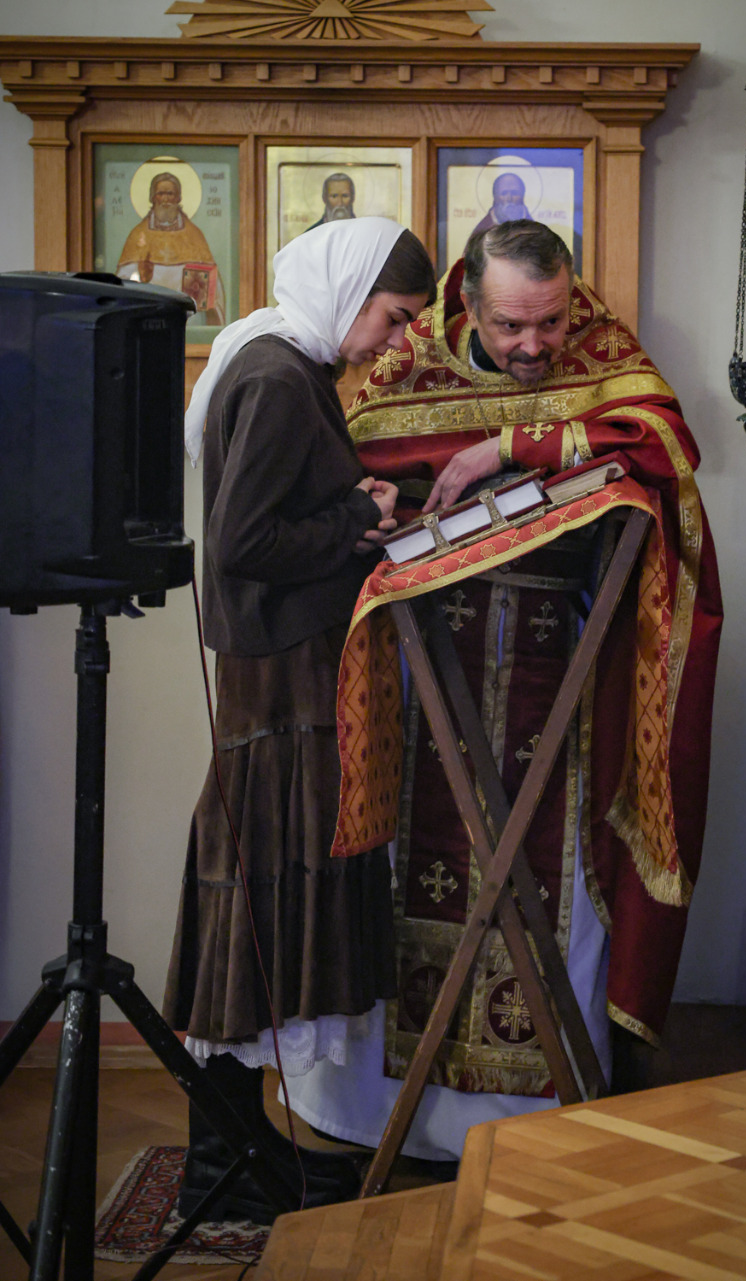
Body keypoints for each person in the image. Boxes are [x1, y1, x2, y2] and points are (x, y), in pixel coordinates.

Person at [283, 220, 723, 1161]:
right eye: (510, 325)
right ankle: (389, 1115)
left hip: (558, 670)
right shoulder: (411, 365)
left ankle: (533, 1116)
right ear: (468, 303)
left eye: (550, 322)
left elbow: (663, 443)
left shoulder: (600, 352)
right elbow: (351, 465)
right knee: (412, 865)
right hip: (423, 668)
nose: (533, 346)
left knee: (545, 868)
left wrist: (511, 444)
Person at [162, 216, 436, 1220]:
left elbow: (281, 517)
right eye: (393, 317)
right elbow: (242, 543)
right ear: (350, 289)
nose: (395, 339)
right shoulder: (279, 377)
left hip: (282, 674)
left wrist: (360, 507)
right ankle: (221, 1164)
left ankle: (236, 1149)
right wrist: (361, 517)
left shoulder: (283, 358)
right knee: (262, 910)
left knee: (261, 908)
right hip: (281, 684)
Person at [117, 170, 226, 325]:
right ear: (152, 197)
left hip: (187, 318)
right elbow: (123, 281)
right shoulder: (138, 235)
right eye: (161, 193)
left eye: (170, 194)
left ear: (178, 198)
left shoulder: (194, 235)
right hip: (148, 315)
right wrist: (141, 274)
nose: (166, 199)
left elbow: (214, 288)